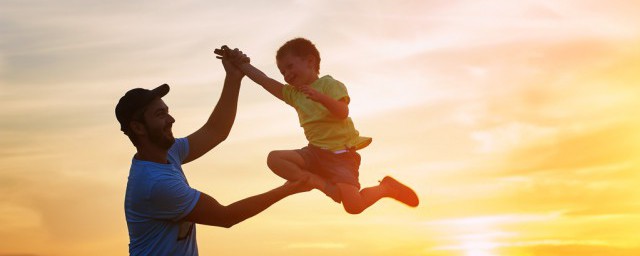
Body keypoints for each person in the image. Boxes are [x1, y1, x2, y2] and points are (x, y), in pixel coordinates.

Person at [115, 46, 312, 256]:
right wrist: (287, 189)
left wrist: (234, 78)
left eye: (168, 112)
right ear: (138, 128)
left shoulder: (169, 153)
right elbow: (225, 216)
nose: (171, 119)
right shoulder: (155, 184)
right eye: (160, 114)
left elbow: (216, 131)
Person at [217, 38, 419, 214]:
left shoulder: (330, 84)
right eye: (282, 71)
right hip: (314, 153)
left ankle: (385, 188)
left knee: (353, 207)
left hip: (342, 156)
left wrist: (321, 98)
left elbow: (343, 112)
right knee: (274, 159)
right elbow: (264, 80)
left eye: (289, 67)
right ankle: (319, 183)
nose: (286, 74)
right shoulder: (294, 94)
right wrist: (241, 64)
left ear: (310, 62)